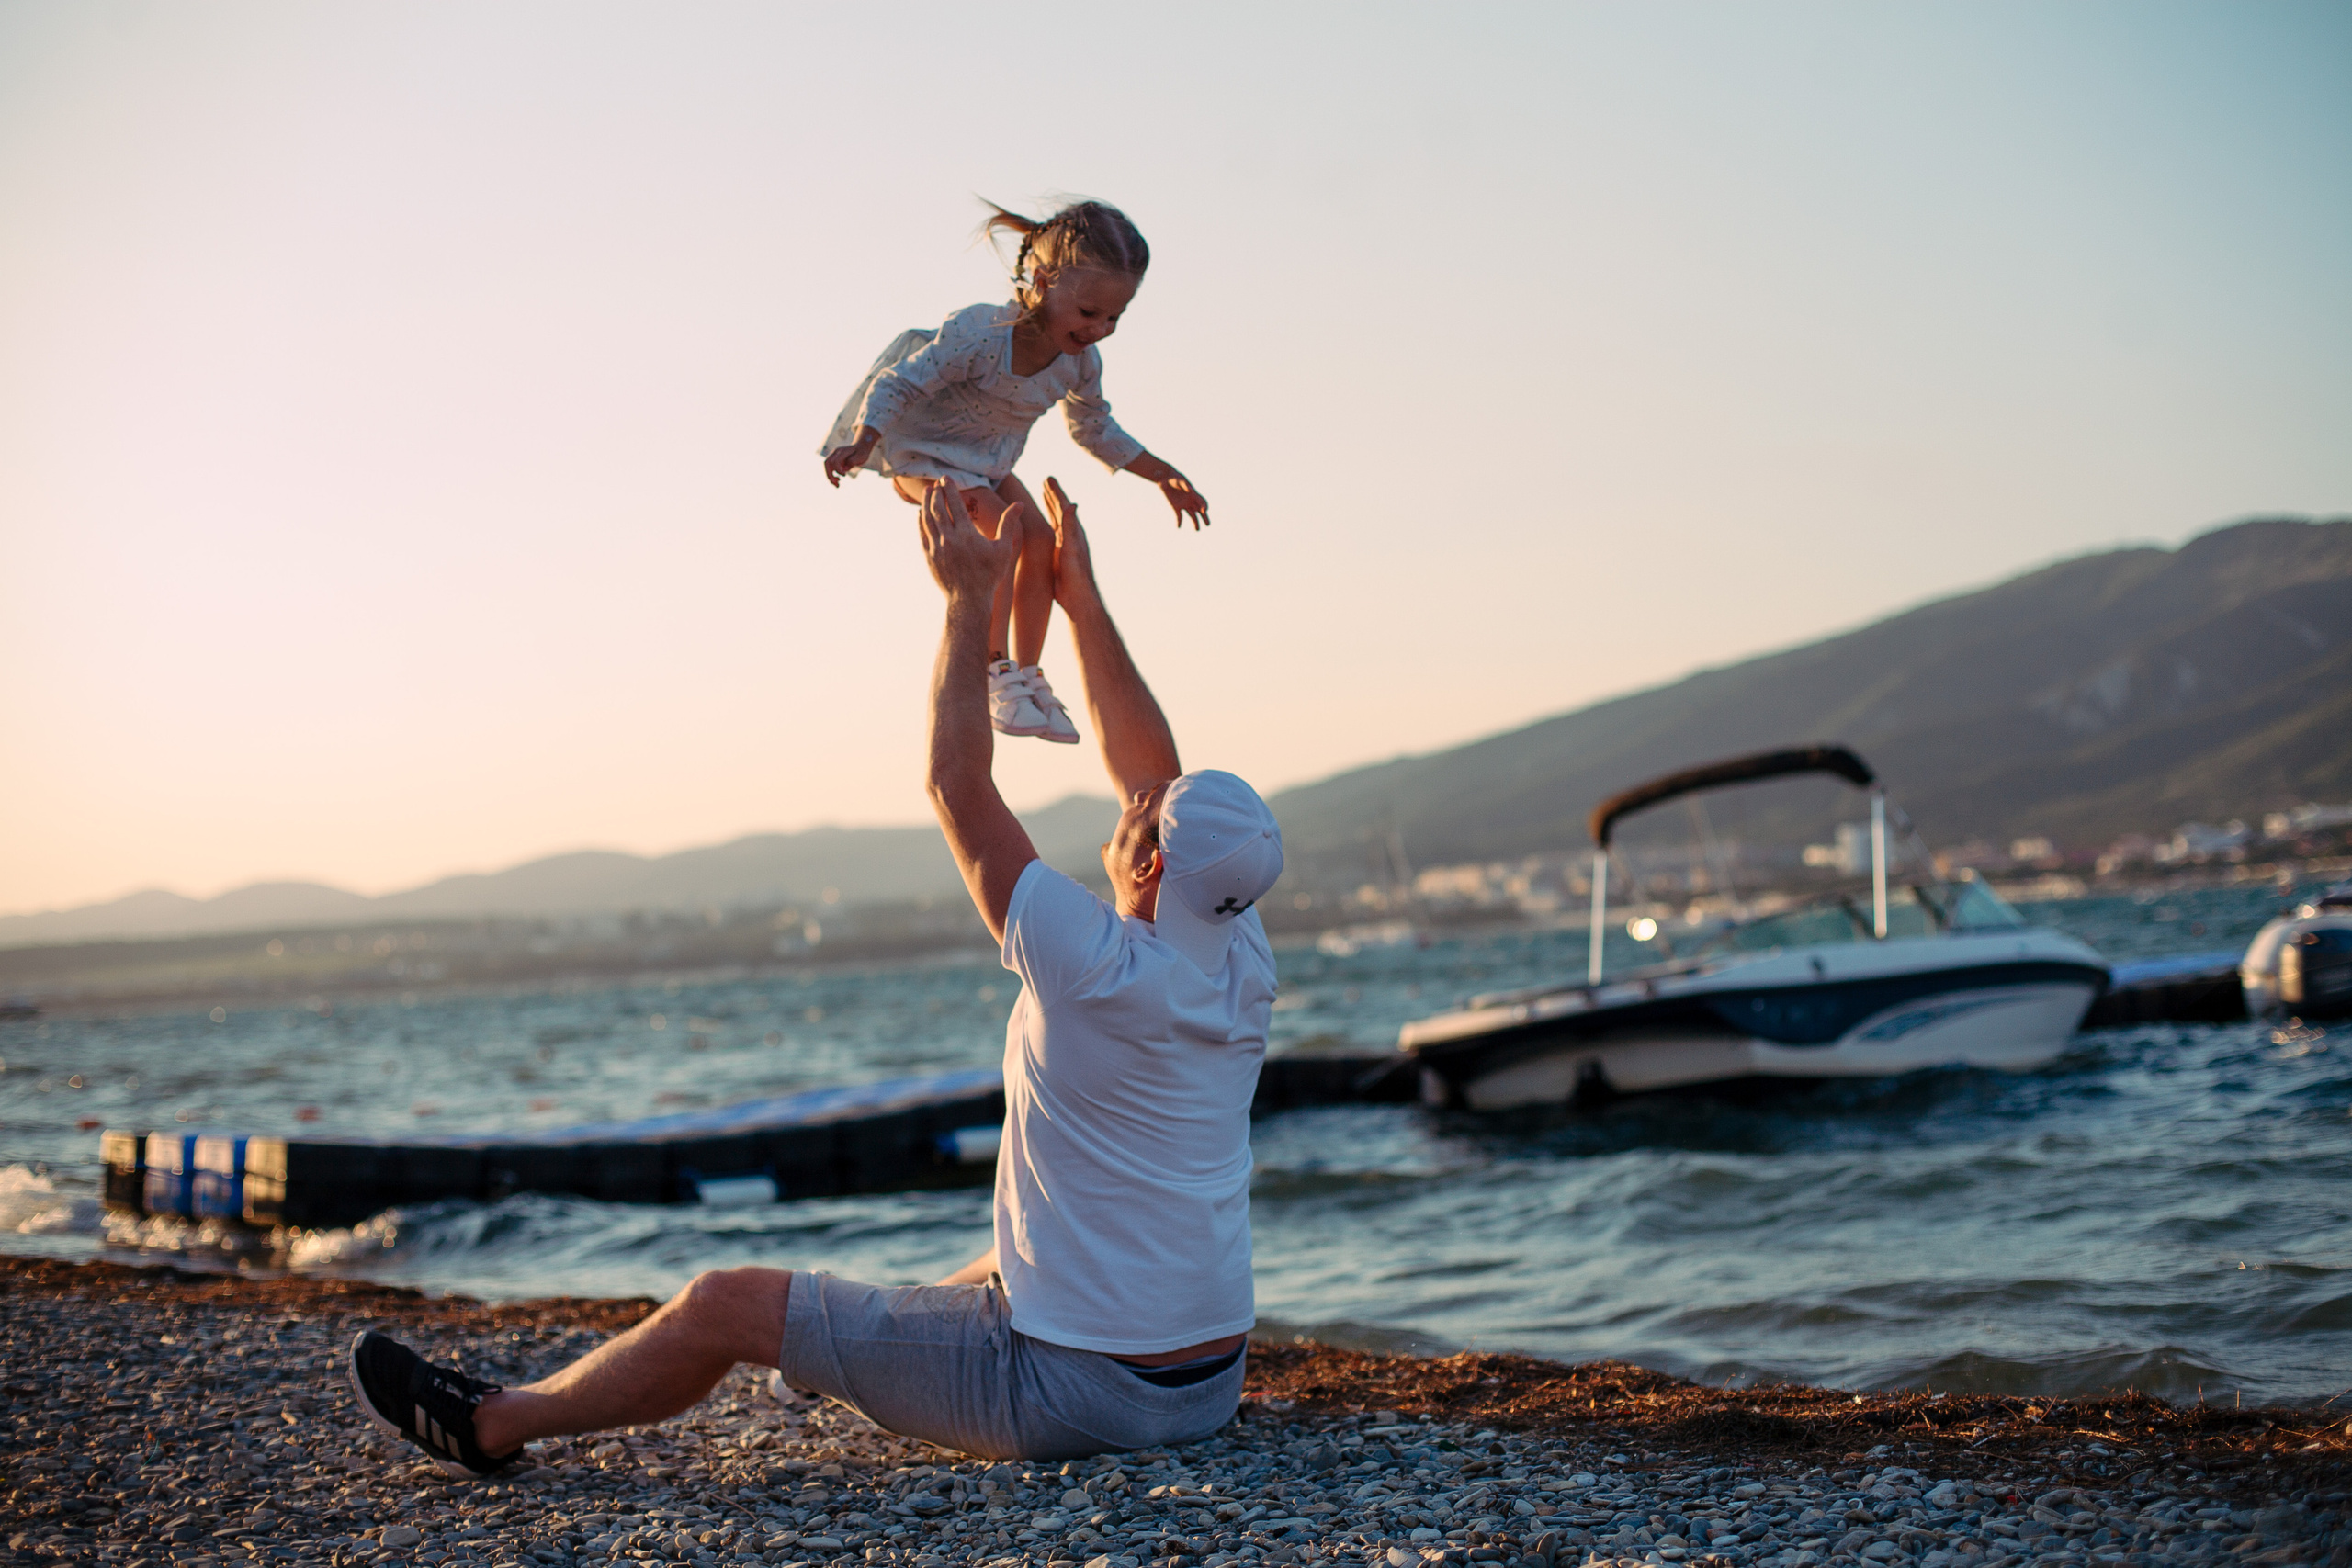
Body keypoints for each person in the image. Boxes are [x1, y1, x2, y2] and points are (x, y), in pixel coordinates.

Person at [345, 475, 1283, 1471]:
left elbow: (956, 785)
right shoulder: (1240, 953)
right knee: (990, 1267)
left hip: (1070, 1396)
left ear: (1147, 866)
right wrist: (1080, 599)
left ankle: (493, 1423)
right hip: (1204, 1381)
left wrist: (970, 601)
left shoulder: (1092, 961)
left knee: (725, 1302)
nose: (1133, 803)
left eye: (1143, 820)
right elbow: (1152, 779)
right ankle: (853, 1347)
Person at [818, 198, 1212, 746]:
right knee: (1001, 525)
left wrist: (1162, 473)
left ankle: (1026, 675)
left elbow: (1095, 429)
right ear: (1045, 282)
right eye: (1090, 312)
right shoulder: (982, 334)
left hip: (986, 463)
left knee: (1040, 536)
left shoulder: (1079, 364)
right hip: (919, 454)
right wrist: (864, 440)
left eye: (1114, 318)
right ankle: (991, 667)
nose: (1100, 329)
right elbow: (901, 381)